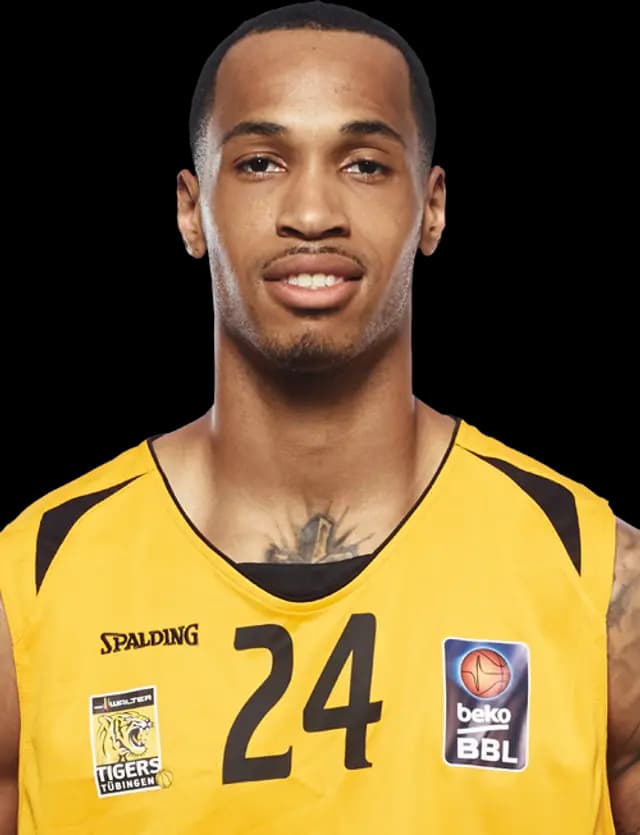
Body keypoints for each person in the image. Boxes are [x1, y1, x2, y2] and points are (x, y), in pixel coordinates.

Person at [0, 2, 637, 832]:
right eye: (260, 163)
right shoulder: (32, 587)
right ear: (192, 210)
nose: (311, 212)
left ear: (433, 207)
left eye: (365, 165)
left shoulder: (596, 577)